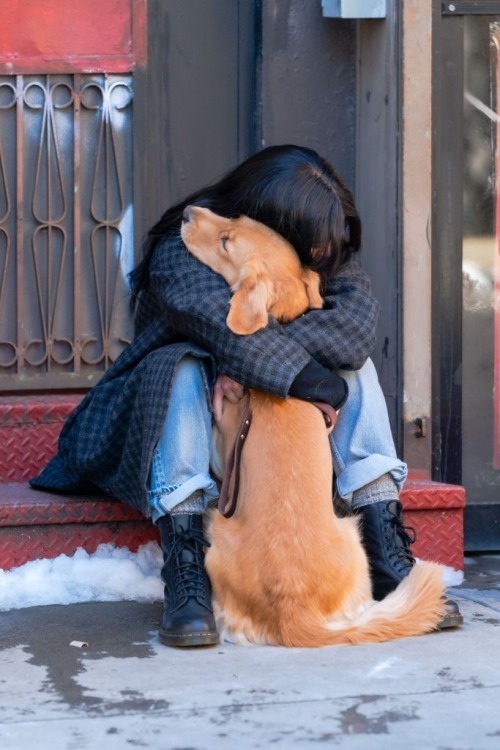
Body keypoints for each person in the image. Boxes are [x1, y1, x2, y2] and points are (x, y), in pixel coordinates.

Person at [30, 145, 462, 646]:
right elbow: (219, 321)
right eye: (310, 247)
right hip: (168, 433)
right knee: (185, 364)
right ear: (268, 217)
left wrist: (277, 362)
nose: (323, 257)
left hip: (265, 456)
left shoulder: (304, 250)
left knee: (355, 367)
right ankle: (186, 558)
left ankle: (383, 536)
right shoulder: (185, 245)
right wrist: (288, 367)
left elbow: (354, 330)